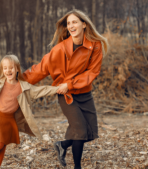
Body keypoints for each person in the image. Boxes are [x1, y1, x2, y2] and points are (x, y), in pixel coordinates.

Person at [23, 9, 108, 169]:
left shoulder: (94, 46)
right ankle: (77, 167)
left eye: (75, 22)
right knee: (80, 130)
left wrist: (70, 83)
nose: (71, 26)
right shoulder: (59, 49)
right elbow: (40, 69)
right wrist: (17, 80)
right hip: (66, 95)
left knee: (89, 132)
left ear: (84, 24)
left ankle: (62, 145)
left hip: (84, 93)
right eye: (69, 23)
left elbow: (93, 72)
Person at [0, 55, 59, 169]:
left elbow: (41, 90)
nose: (8, 70)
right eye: (5, 68)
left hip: (10, 119)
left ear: (17, 69)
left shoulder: (23, 86)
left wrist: (57, 89)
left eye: (11, 68)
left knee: (3, 146)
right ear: (2, 70)